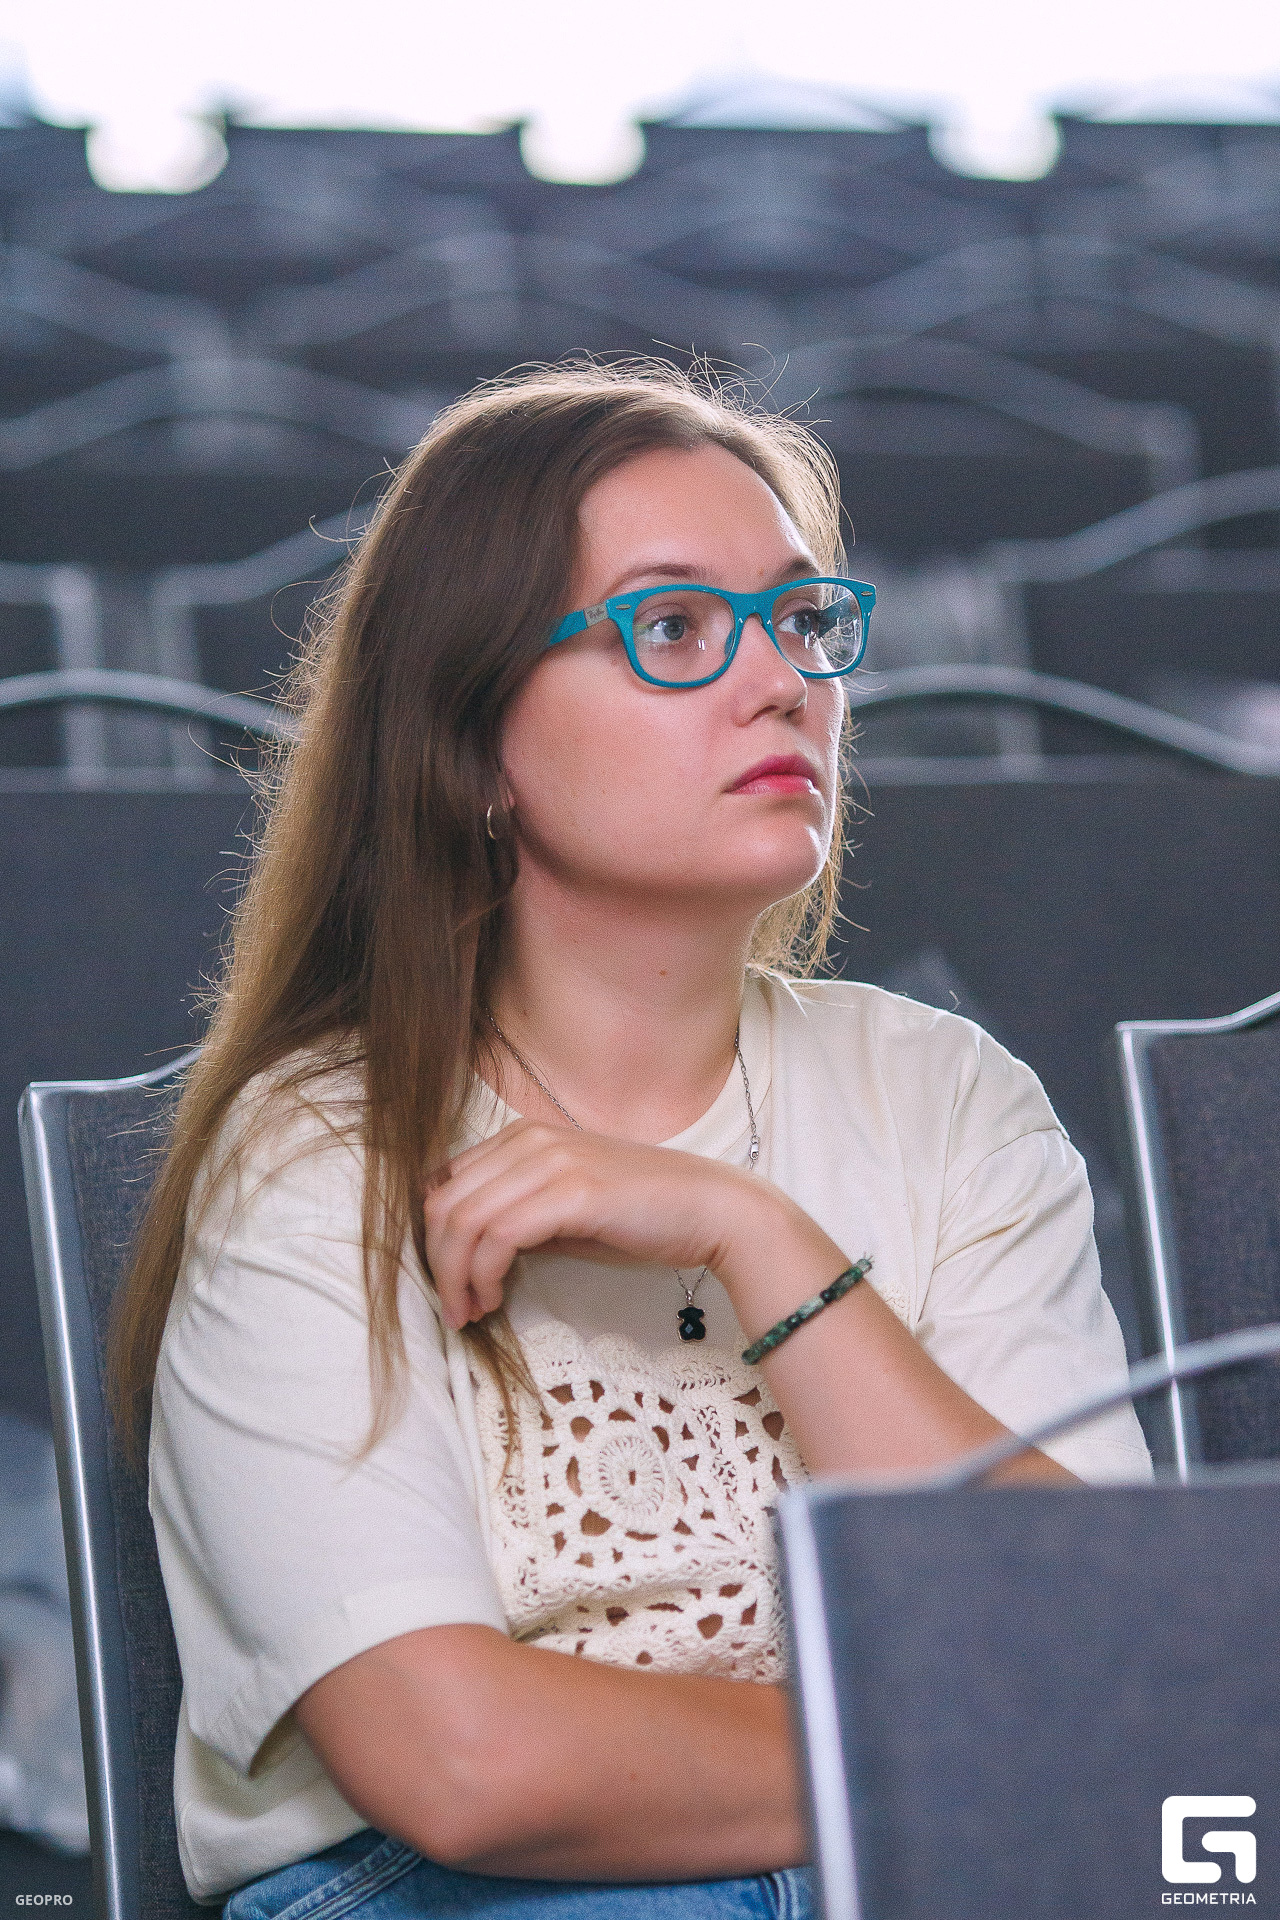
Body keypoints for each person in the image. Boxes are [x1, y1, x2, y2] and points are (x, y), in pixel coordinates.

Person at [109, 358, 1151, 1920]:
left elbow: (1106, 1647)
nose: (782, 681)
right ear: (473, 741)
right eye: (672, 628)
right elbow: (464, 1766)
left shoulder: (947, 1095)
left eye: (803, 619)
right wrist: (988, 1742)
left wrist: (760, 1240)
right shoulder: (320, 1154)